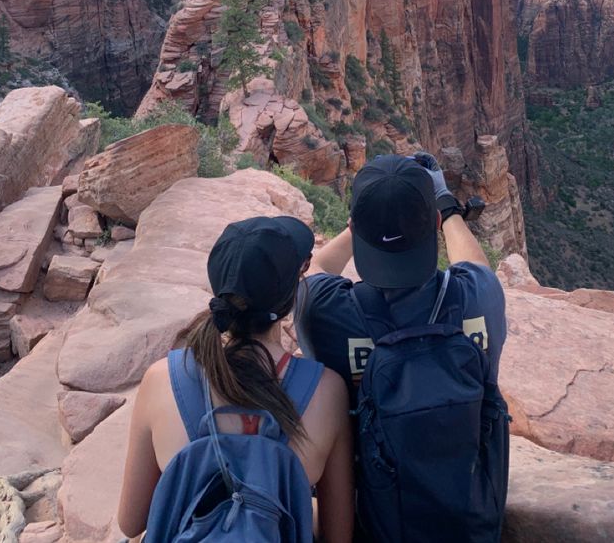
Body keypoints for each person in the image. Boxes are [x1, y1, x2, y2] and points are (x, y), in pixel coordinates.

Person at [295, 153, 508, 542]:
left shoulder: (326, 310)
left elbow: (316, 272)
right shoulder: (479, 298)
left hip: (374, 521)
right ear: (436, 226)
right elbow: (477, 268)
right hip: (471, 519)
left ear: (356, 230)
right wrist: (444, 202)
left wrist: (358, 226)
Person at [118, 215, 354, 543]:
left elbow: (131, 523)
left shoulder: (162, 379)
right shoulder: (326, 391)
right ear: (291, 298)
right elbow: (338, 536)